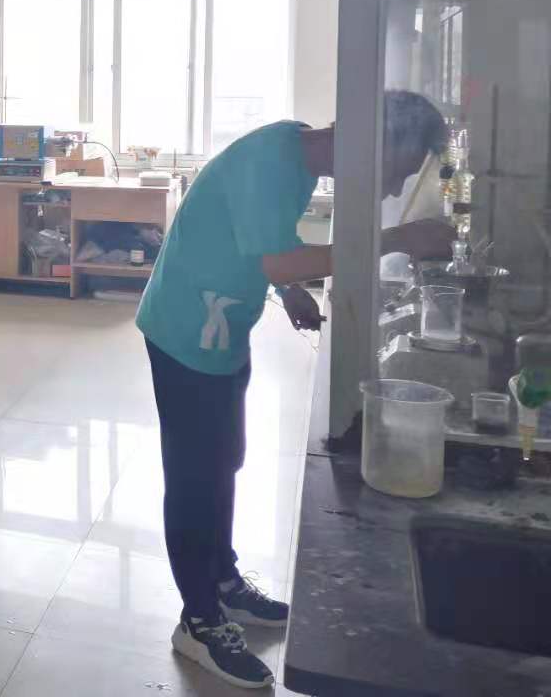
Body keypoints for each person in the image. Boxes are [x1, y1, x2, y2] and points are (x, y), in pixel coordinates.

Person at [136, 90, 454, 689]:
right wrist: (398, 239)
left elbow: (261, 239)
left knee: (224, 461)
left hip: (222, 329)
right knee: (195, 475)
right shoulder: (271, 160)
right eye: (397, 171)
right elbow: (278, 259)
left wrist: (288, 290)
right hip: (184, 331)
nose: (391, 188)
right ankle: (198, 620)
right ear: (374, 142)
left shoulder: (298, 156)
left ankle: (223, 580)